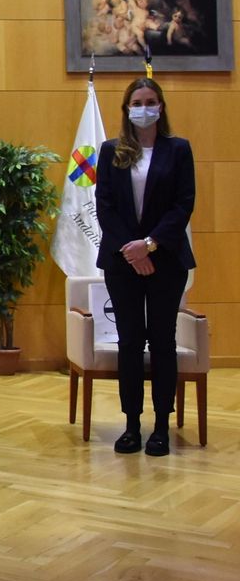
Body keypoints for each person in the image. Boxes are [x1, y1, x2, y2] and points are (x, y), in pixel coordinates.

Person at [95, 77, 196, 457]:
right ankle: (132, 425)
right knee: (131, 342)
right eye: (136, 102)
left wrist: (149, 245)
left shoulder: (178, 149)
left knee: (163, 342)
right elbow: (105, 205)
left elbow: (184, 204)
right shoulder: (111, 151)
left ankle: (161, 428)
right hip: (122, 262)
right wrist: (132, 250)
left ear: (161, 106)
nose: (144, 108)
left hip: (166, 260)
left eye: (150, 101)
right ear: (126, 109)